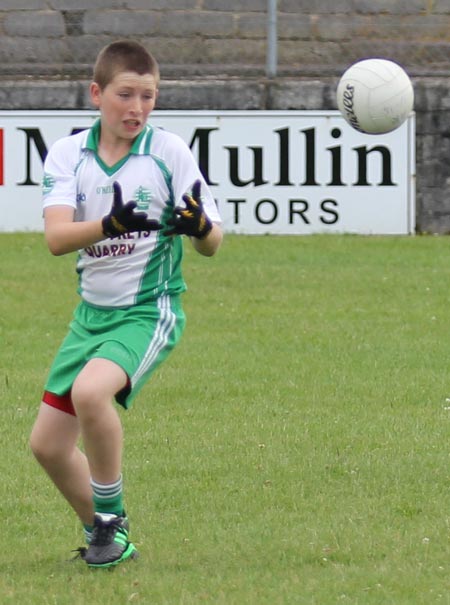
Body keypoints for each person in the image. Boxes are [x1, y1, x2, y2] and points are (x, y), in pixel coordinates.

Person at [29, 39, 223, 569]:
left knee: (93, 393)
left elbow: (212, 243)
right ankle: (111, 540)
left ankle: (111, 522)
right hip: (89, 317)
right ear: (97, 94)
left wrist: (200, 228)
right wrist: (110, 225)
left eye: (148, 96)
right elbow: (56, 237)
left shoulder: (169, 153)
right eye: (125, 94)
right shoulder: (69, 154)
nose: (137, 108)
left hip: (148, 310)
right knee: (47, 446)